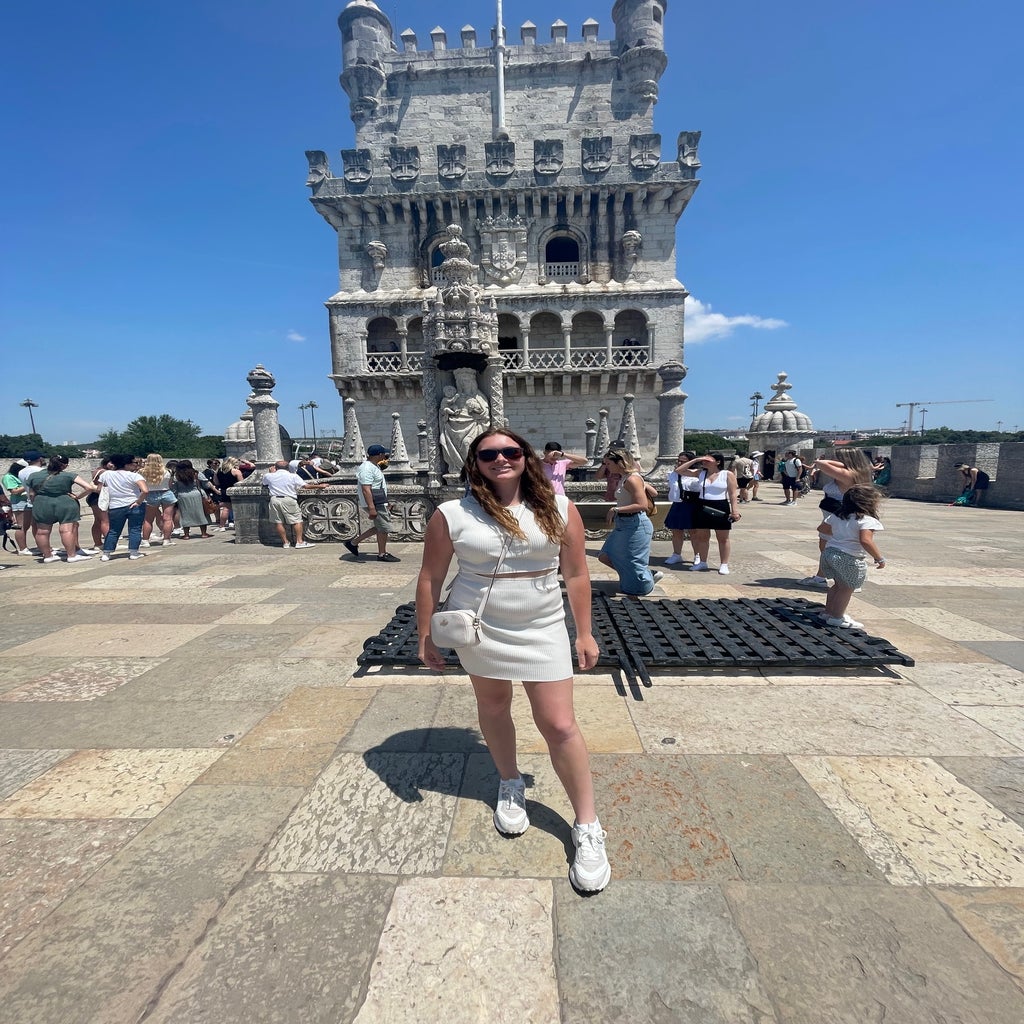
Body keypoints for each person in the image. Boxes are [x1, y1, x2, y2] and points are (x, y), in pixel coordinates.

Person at [416, 428, 610, 894]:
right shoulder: (451, 514)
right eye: (488, 454)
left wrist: (583, 632)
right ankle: (509, 781)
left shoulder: (561, 508)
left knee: (560, 724)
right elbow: (430, 576)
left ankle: (588, 825)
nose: (500, 459)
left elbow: (578, 573)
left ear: (525, 457)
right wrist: (425, 634)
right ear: (474, 463)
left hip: (542, 624)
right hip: (481, 625)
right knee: (495, 706)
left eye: (510, 451)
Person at [799, 450, 874, 588]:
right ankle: (821, 577)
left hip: (838, 516)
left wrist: (840, 463)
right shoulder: (857, 473)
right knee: (830, 547)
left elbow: (820, 463)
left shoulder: (847, 474)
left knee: (831, 548)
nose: (833, 459)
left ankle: (846, 580)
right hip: (836, 516)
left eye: (837, 458)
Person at [817, 485, 886, 629]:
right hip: (848, 558)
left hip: (830, 553)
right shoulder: (866, 520)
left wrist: (839, 534)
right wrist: (879, 557)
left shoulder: (837, 515)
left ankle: (828, 612)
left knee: (837, 585)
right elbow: (866, 540)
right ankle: (837, 617)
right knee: (847, 588)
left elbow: (822, 529)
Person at [597, 447, 662, 595]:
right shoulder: (628, 477)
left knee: (633, 564)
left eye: (608, 464)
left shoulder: (632, 479)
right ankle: (646, 575)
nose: (607, 467)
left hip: (635, 523)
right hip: (624, 524)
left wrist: (616, 510)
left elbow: (642, 505)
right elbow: (654, 492)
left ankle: (645, 583)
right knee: (606, 555)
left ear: (619, 462)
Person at [677, 453, 741, 574]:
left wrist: (735, 511)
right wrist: (696, 459)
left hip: (720, 504)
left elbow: (733, 494)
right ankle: (702, 561)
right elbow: (679, 470)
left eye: (708, 460)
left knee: (723, 538)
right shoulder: (700, 473)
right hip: (702, 504)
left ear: (717, 462)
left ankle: (724, 564)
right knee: (702, 537)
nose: (704, 462)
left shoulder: (727, 474)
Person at [27, 456, 98, 563]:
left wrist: (35, 503)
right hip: (65, 502)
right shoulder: (69, 475)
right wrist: (78, 497)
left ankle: (47, 556)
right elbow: (89, 488)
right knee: (66, 530)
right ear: (64, 465)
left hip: (42, 503)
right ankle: (71, 555)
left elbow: (31, 494)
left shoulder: (34, 476)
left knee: (42, 532)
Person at [343, 444, 400, 562]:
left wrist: (386, 503)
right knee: (384, 528)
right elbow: (366, 489)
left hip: (379, 502)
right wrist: (372, 507)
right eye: (384, 454)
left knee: (380, 526)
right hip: (375, 503)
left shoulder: (374, 466)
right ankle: (382, 554)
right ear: (380, 455)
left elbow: (378, 487)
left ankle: (353, 543)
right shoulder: (366, 468)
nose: (385, 456)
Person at [260, 460, 324, 548]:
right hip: (288, 499)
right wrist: (321, 486)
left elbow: (264, 483)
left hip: (274, 499)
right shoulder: (293, 476)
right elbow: (306, 486)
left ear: (275, 467)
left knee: (278, 522)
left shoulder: (268, 476)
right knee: (296, 520)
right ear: (288, 468)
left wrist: (271, 473)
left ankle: (285, 542)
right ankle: (299, 542)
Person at [439, 367, 490, 474]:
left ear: (472, 382)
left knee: (467, 444)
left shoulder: (478, 396)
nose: (463, 384)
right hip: (453, 427)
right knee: (456, 444)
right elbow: (445, 409)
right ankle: (458, 468)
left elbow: (485, 414)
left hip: (473, 426)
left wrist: (476, 409)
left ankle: (472, 469)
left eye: (466, 381)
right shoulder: (454, 397)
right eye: (460, 381)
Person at [99, 454, 149, 560]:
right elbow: (145, 490)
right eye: (133, 463)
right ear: (127, 464)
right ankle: (134, 552)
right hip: (134, 504)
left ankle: (106, 553)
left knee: (114, 530)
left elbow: (99, 489)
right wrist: (139, 502)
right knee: (135, 529)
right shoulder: (135, 476)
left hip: (115, 506)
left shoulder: (106, 474)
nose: (135, 465)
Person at [664, 450, 697, 566]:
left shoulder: (696, 473)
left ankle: (697, 555)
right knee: (676, 532)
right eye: (678, 460)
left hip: (692, 505)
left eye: (683, 461)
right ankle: (676, 554)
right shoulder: (672, 474)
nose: (679, 463)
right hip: (677, 503)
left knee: (694, 532)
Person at [170, 460, 214, 541]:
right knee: (201, 513)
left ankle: (186, 535)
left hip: (182, 496)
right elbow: (206, 484)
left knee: (185, 514)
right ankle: (204, 533)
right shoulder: (196, 473)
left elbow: (174, 489)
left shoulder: (177, 476)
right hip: (196, 494)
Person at [139, 454, 177, 548]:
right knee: (167, 518)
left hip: (150, 494)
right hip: (166, 493)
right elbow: (170, 484)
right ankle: (166, 540)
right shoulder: (168, 471)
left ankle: (145, 541)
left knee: (148, 519)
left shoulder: (141, 472)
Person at [3, 459, 35, 555]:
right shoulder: (8, 477)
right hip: (19, 502)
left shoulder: (20, 475)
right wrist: (27, 485)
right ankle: (22, 548)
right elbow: (14, 491)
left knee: (32, 524)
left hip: (28, 501)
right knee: (21, 526)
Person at [214, 457, 245, 530]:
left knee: (226, 509)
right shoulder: (236, 471)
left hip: (224, 491)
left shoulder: (218, 471)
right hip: (235, 491)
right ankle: (240, 524)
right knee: (239, 509)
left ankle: (222, 526)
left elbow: (216, 482)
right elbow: (242, 482)